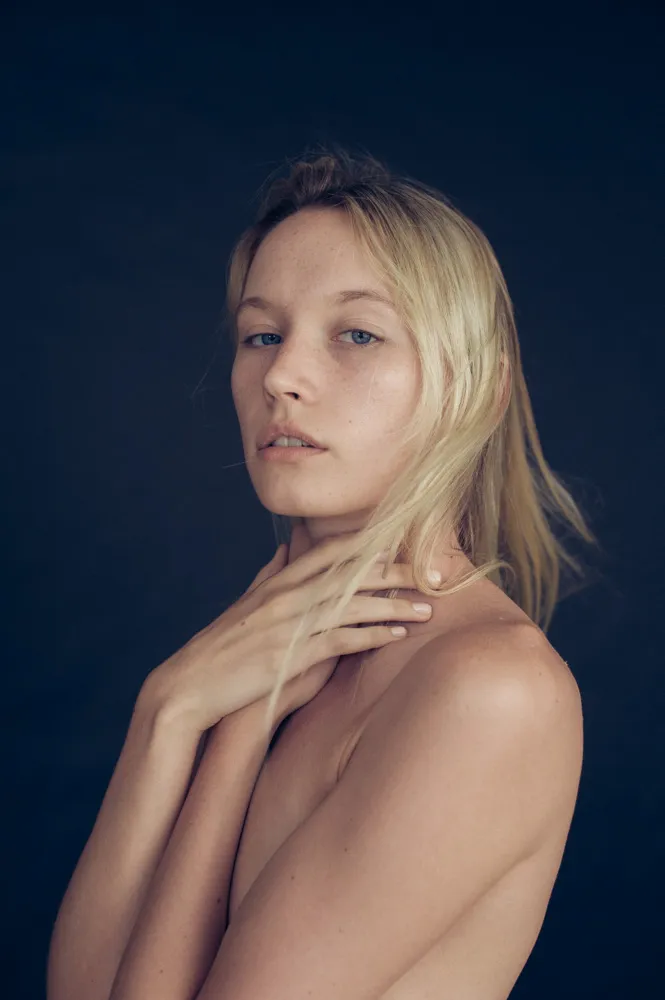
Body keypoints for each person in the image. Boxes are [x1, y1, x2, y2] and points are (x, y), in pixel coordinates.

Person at [49, 145, 598, 1000]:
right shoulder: (252, 651)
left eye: (357, 334)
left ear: (477, 389)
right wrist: (169, 711)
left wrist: (233, 726)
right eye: (261, 335)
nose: (281, 376)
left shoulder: (490, 690)